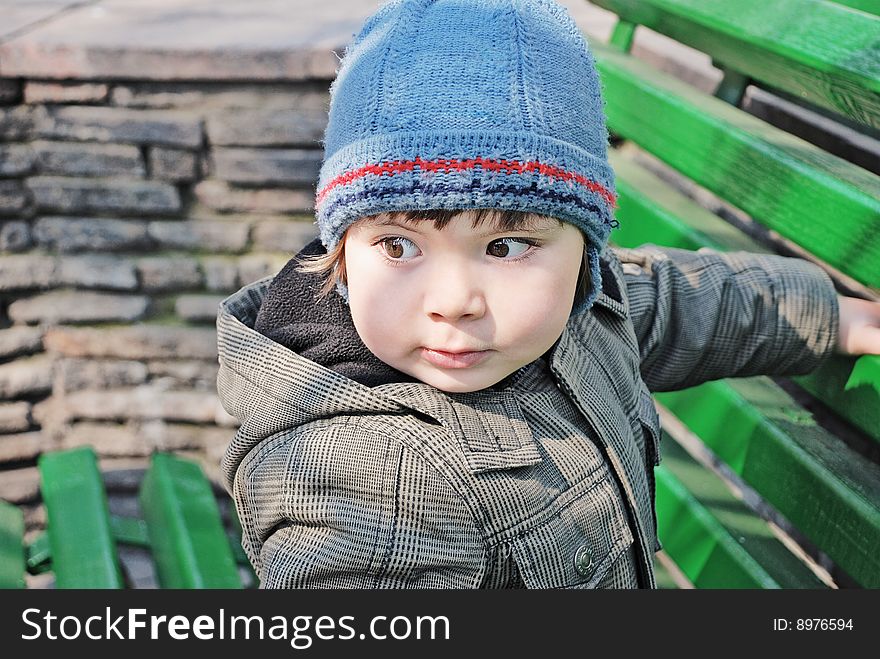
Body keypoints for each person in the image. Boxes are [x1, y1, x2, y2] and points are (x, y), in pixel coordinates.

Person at [216, 0, 880, 588]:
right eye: (399, 245)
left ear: (585, 253)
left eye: (505, 246)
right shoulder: (367, 483)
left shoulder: (582, 313)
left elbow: (684, 301)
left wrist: (833, 313)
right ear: (344, 251)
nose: (454, 301)